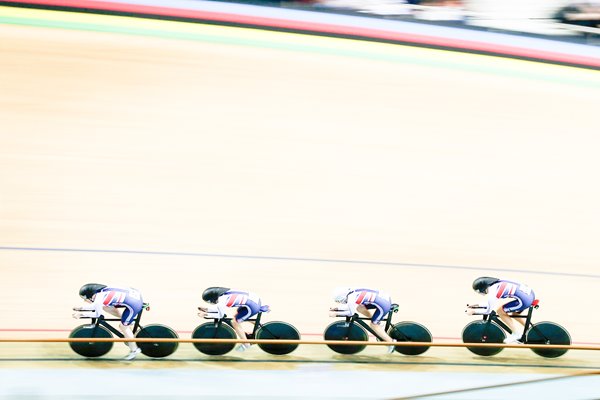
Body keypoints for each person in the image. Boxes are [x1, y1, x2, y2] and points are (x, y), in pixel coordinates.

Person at [73, 283, 144, 360]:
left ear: (91, 296)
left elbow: (98, 314)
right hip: (133, 296)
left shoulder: (99, 299)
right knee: (106, 307)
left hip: (134, 304)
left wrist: (81, 314)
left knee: (123, 326)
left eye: (85, 299)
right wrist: (81, 308)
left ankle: (135, 350)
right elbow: (96, 306)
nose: (85, 301)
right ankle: (127, 320)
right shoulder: (100, 293)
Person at [198, 287, 270, 352]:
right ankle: (258, 326)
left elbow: (220, 314)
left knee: (234, 322)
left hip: (253, 306)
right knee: (237, 315)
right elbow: (219, 309)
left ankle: (246, 344)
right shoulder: (224, 293)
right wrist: (207, 309)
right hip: (254, 300)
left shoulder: (222, 300)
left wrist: (206, 314)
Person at [466, 277, 535, 344]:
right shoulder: (497, 284)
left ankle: (516, 334)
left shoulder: (493, 292)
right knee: (515, 314)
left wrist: (473, 311)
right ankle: (531, 329)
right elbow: (490, 304)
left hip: (525, 300)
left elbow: (489, 311)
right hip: (529, 295)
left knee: (500, 311)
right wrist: (476, 305)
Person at [330, 287, 397, 354]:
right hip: (384, 299)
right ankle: (377, 322)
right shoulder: (352, 293)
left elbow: (351, 313)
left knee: (373, 325)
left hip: (384, 304)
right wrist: (337, 308)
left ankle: (391, 343)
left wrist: (336, 313)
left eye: (339, 301)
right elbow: (351, 306)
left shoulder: (351, 298)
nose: (341, 302)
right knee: (360, 308)